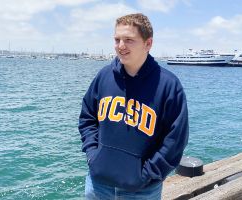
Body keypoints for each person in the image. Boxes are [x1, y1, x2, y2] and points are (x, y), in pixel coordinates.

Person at [78, 13, 189, 200]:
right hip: (98, 185)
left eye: (129, 40)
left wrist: (146, 175)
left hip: (142, 191)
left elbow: (175, 141)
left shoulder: (169, 85)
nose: (121, 46)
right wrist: (92, 156)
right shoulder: (103, 76)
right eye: (117, 39)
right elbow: (88, 117)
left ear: (148, 44)